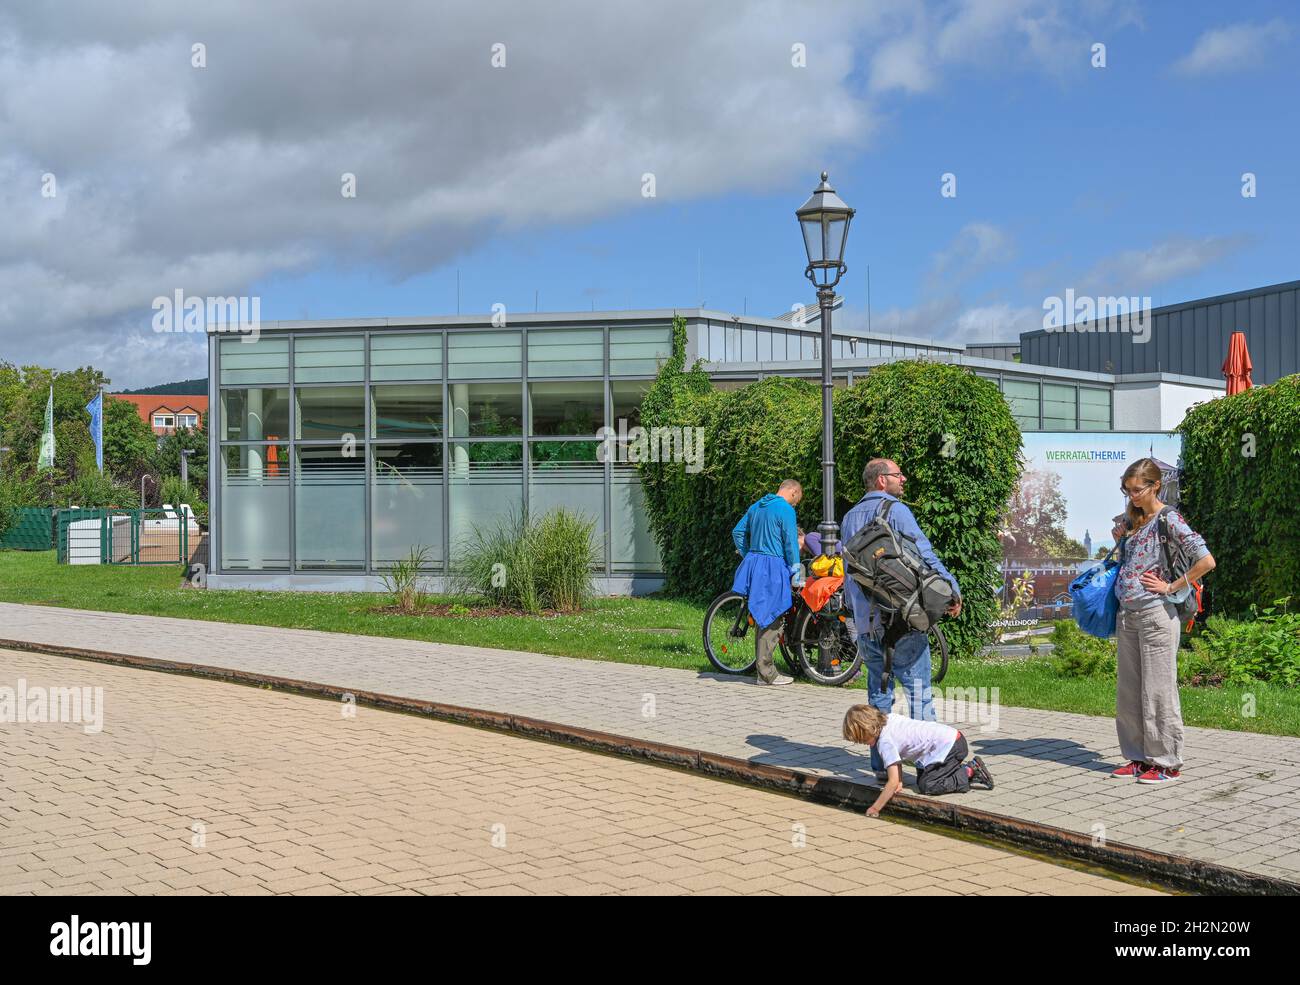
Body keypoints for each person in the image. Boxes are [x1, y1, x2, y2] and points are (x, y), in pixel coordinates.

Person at [840, 458, 962, 778]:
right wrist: (951, 589)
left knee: (878, 695)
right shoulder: (896, 511)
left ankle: (882, 767)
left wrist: (855, 617)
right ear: (882, 480)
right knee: (919, 694)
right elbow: (925, 554)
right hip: (902, 619)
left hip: (867, 624)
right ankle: (931, 766)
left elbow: (849, 573)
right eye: (898, 474)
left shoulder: (849, 517)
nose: (903, 479)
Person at [1108, 458, 1215, 785]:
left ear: (1155, 486)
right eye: (1127, 491)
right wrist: (1119, 540)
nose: (1132, 497)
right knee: (1129, 692)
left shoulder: (1169, 518)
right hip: (1127, 614)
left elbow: (1206, 561)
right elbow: (1131, 563)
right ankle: (1138, 758)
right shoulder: (1134, 520)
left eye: (1137, 490)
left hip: (1156, 613)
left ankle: (1167, 762)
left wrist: (1172, 586)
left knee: (1157, 691)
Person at [842, 705, 993, 816]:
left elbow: (891, 781)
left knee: (928, 785)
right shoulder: (889, 719)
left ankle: (969, 771)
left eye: (862, 740)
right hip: (952, 739)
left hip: (950, 747)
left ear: (868, 730)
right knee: (923, 778)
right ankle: (951, 768)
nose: (863, 744)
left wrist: (875, 808)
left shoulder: (884, 743)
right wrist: (900, 781)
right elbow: (896, 761)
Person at [731, 479, 804, 685]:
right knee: (772, 618)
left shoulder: (756, 506)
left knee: (761, 614)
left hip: (754, 564)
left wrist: (749, 555)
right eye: (796, 501)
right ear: (793, 492)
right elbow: (791, 543)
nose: (794, 505)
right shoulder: (785, 510)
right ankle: (766, 674)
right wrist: (797, 573)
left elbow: (737, 532)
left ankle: (762, 671)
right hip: (772, 566)